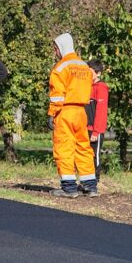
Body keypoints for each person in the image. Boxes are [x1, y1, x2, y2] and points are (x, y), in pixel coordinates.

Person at [48, 32, 97, 198]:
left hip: (65, 112)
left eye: (55, 49)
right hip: (81, 112)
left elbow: (57, 95)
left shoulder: (61, 67)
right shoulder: (84, 66)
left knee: (64, 147)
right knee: (83, 146)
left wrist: (52, 113)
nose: (55, 52)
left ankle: (69, 188)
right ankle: (90, 186)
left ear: (61, 47)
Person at [87, 59, 110, 180]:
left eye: (90, 72)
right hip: (85, 128)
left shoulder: (101, 88)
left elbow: (101, 112)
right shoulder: (86, 87)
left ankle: (94, 180)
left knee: (94, 156)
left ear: (98, 73)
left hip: (95, 130)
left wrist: (96, 132)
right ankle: (86, 181)